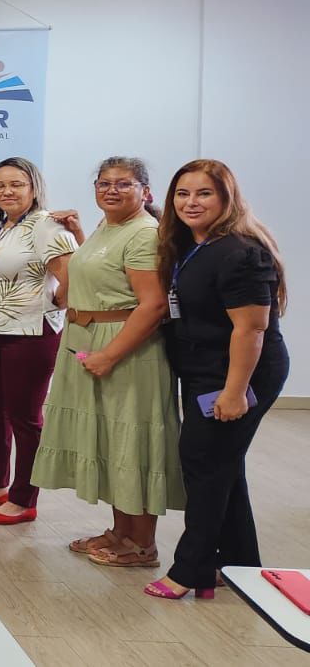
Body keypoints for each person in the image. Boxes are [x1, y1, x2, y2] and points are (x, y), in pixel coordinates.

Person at [147, 159, 290, 600]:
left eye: (204, 193)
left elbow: (252, 329)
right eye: (183, 194)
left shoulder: (241, 252)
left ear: (227, 199)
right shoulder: (192, 244)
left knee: (205, 466)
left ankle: (192, 569)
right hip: (203, 370)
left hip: (238, 373)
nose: (191, 202)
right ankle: (241, 565)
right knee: (223, 466)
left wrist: (232, 392)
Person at [33, 157, 185, 566]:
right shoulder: (108, 226)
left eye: (124, 184)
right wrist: (80, 233)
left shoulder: (144, 233)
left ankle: (142, 544)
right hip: (88, 339)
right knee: (110, 440)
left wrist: (109, 355)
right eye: (104, 183)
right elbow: (102, 275)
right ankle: (121, 532)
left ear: (146, 192)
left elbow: (152, 306)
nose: (111, 190)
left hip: (125, 349)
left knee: (131, 443)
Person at [0, 157, 78, 524]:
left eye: (16, 184)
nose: (7, 191)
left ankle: (24, 499)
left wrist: (54, 304)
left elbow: (70, 277)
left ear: (34, 188)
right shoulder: (0, 229)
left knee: (25, 418)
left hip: (31, 334)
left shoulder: (47, 227)